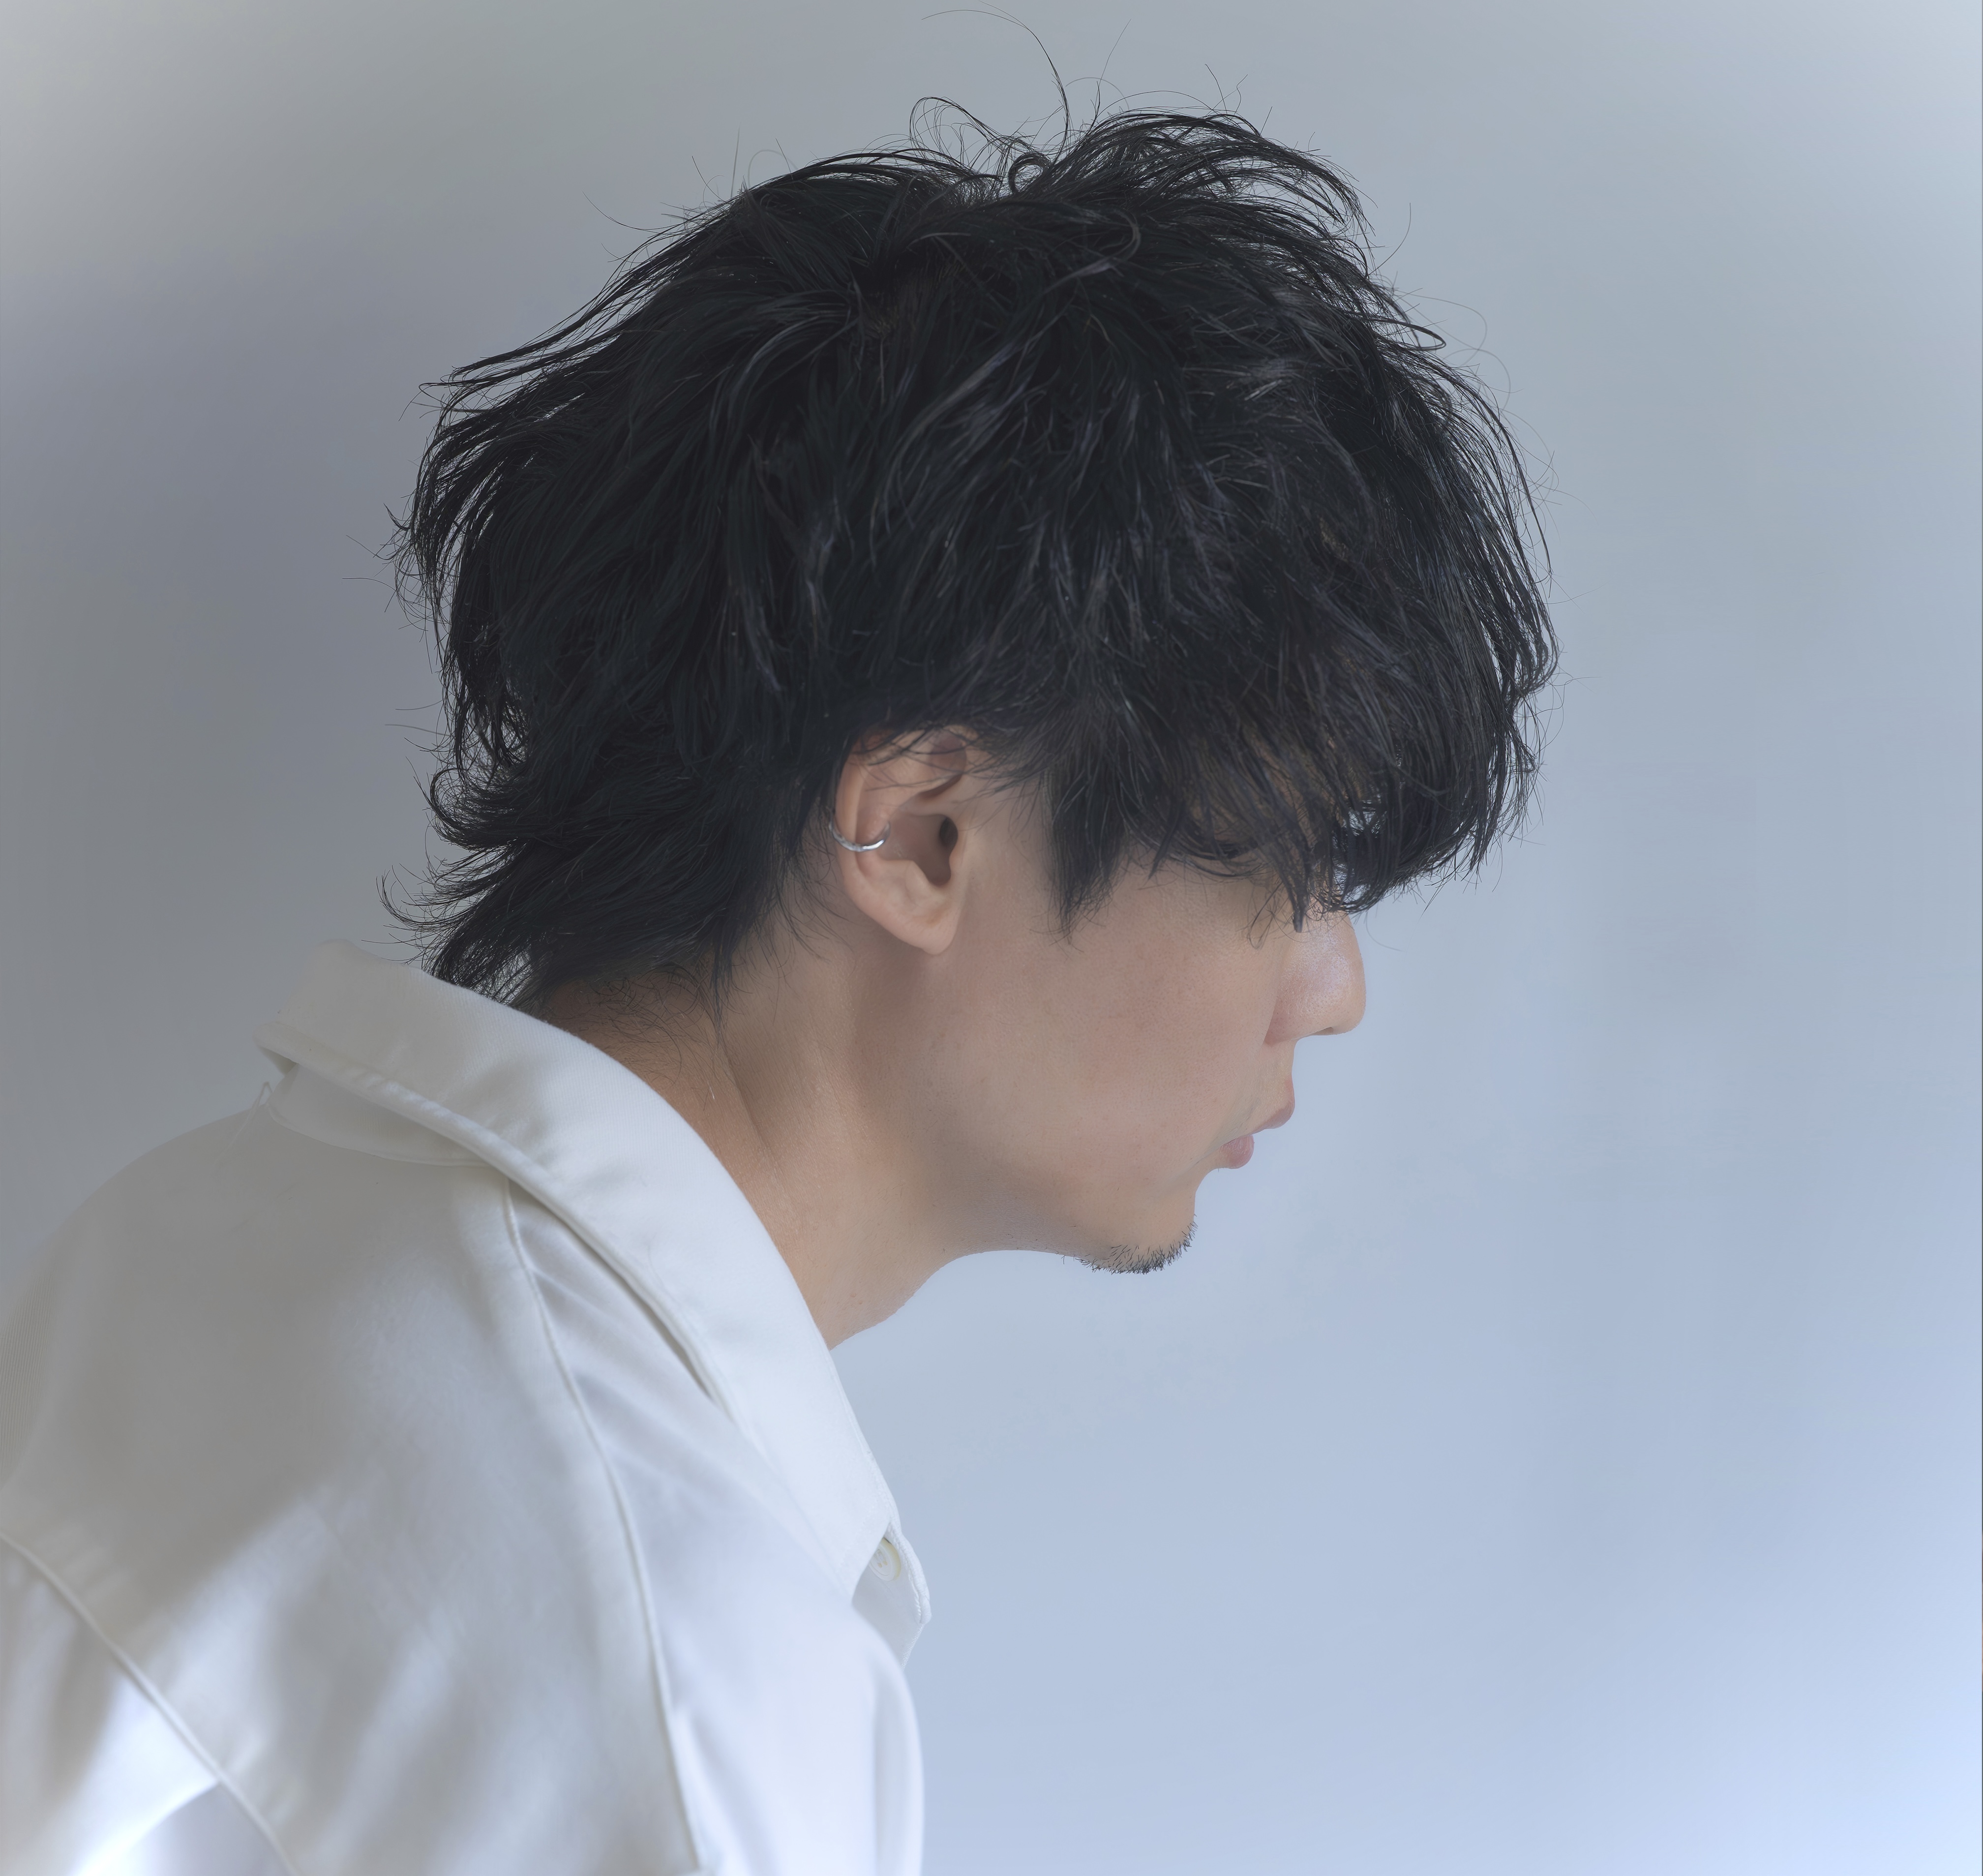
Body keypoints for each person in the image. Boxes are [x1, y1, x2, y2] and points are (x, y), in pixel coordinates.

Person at [0, 107, 1556, 1875]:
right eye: (1294, 867)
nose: (1332, 990)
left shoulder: (211, 1238)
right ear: (919, 837)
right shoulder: (667, 1666)